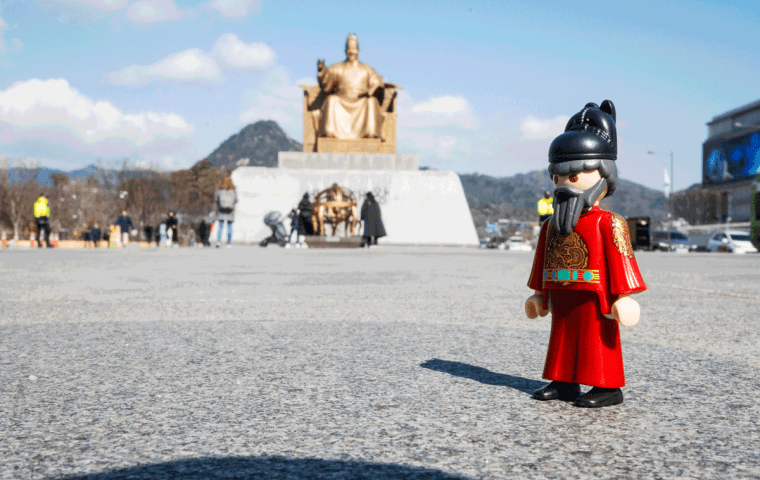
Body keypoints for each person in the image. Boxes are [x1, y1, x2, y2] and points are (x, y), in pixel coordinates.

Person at [525, 100, 647, 408]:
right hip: (560, 290)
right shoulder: (551, 225)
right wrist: (539, 294)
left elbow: (621, 258)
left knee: (596, 340)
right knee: (561, 338)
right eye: (557, 178)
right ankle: (563, 381)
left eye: (572, 177)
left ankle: (607, 386)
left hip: (595, 293)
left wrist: (624, 297)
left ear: (604, 176)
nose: (562, 185)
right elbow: (542, 260)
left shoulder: (610, 222)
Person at [317, 34, 392, 140]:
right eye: (349, 49)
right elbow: (326, 83)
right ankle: (330, 132)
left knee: (371, 102)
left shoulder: (367, 69)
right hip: (341, 102)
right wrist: (322, 71)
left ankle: (370, 133)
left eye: (354, 48)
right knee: (331, 100)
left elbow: (377, 83)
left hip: (361, 103)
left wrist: (372, 90)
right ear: (345, 50)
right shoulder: (337, 68)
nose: (351, 52)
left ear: (358, 50)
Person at [214, 177, 237, 248]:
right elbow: (236, 200)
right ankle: (228, 243)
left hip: (221, 210)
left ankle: (218, 241)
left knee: (220, 226)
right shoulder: (233, 190)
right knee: (229, 226)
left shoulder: (219, 190)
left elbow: (216, 199)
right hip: (230, 210)